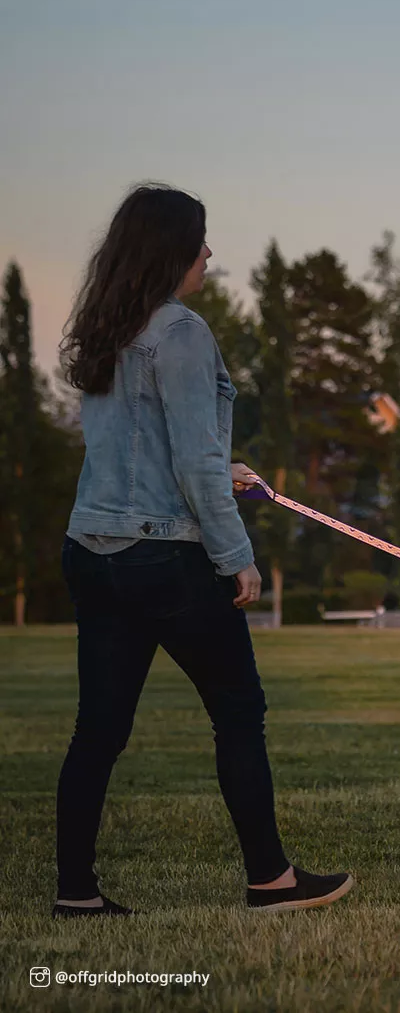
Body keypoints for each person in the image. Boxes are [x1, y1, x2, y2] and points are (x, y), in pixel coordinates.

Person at [54, 183, 354, 916]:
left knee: (98, 731)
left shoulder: (107, 332)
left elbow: (140, 453)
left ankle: (76, 894)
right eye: (201, 239)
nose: (210, 252)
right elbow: (187, 463)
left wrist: (224, 470)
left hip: (93, 549)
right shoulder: (180, 332)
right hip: (168, 559)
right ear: (172, 250)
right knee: (238, 712)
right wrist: (236, 555)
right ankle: (271, 882)